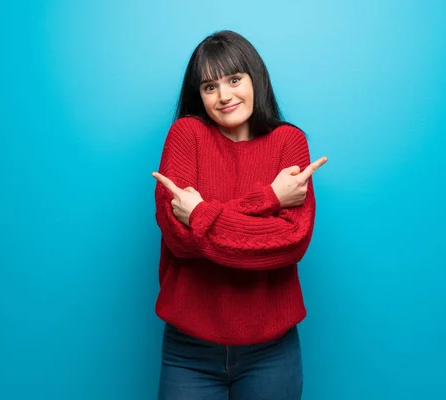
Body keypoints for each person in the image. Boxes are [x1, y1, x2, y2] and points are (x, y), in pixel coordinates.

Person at [151, 30, 327, 400]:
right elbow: (178, 238)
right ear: (198, 95)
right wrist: (270, 198)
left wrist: (199, 212)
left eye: (234, 80)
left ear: (255, 80)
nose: (225, 96)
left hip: (271, 351)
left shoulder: (289, 142)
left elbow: (290, 243)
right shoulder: (186, 135)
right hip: (190, 350)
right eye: (210, 86)